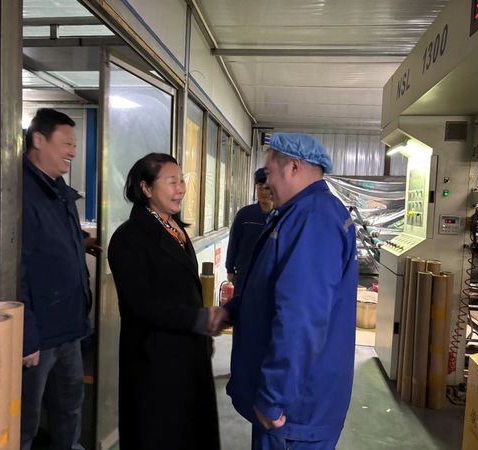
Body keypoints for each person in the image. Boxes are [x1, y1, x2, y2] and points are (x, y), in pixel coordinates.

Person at [214, 133, 358, 450]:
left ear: (293, 167)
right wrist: (232, 311)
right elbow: (273, 288)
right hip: (292, 406)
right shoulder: (298, 213)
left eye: (269, 173)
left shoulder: (313, 220)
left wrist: (273, 398)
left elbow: (301, 318)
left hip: (294, 411)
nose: (266, 183)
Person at [107, 153, 221, 450]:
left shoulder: (175, 229)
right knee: (160, 435)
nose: (180, 189)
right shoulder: (129, 239)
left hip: (187, 354)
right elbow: (141, 305)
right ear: (146, 188)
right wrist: (198, 319)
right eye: (172, 182)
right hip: (154, 361)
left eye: (181, 181)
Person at [21, 108, 98, 450]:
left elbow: (53, 240)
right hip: (38, 335)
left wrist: (82, 242)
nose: (73, 152)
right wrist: (26, 336)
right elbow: (15, 268)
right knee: (24, 420)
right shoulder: (19, 193)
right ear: (39, 139)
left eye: (75, 144)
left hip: (69, 326)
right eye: (67, 143)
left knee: (69, 408)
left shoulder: (57, 189)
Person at [225, 167, 273, 291]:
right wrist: (230, 269)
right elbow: (234, 242)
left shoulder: (281, 216)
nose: (263, 191)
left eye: (267, 187)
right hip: (244, 275)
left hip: (270, 278)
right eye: (260, 187)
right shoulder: (245, 215)